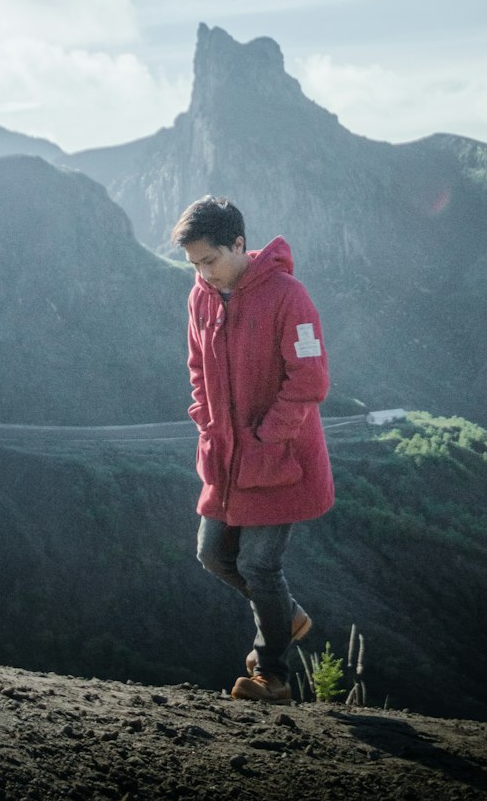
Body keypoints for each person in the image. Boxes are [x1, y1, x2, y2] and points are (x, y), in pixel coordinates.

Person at [171, 195, 335, 704]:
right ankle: (286, 616)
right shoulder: (200, 297)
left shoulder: (289, 295)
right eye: (196, 264)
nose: (204, 272)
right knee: (212, 554)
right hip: (224, 458)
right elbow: (197, 368)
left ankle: (273, 675)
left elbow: (310, 378)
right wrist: (206, 420)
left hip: (277, 458)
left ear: (239, 244)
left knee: (261, 565)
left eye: (210, 260)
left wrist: (267, 435)